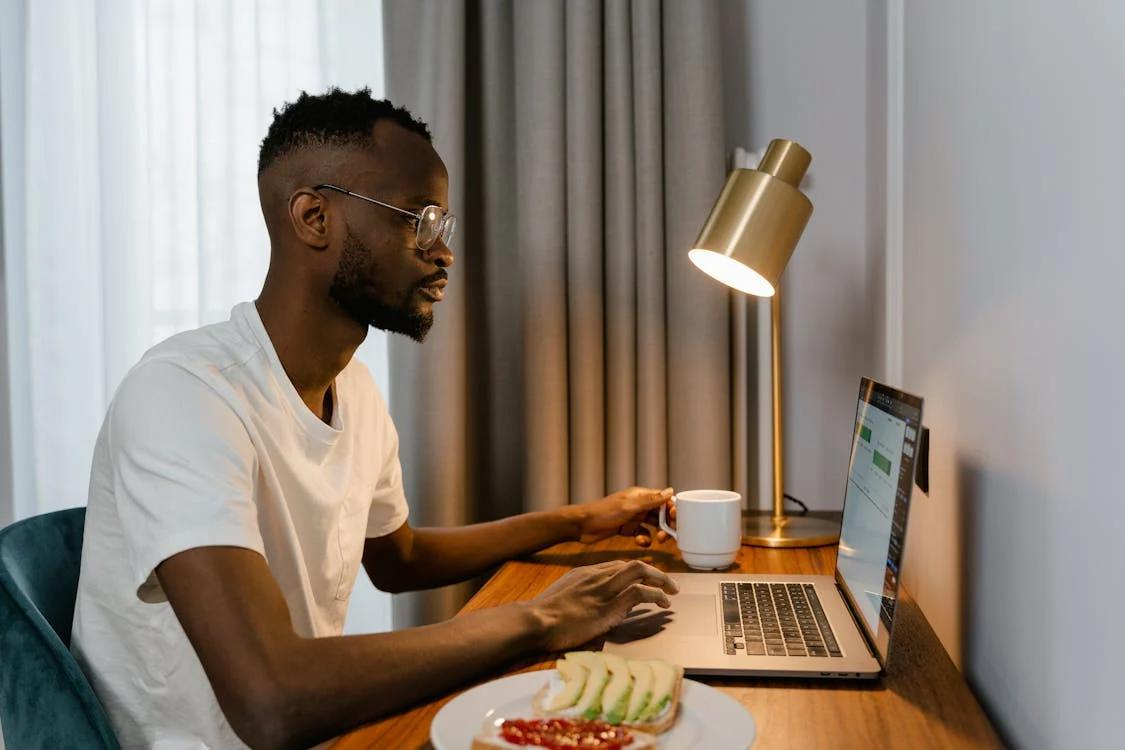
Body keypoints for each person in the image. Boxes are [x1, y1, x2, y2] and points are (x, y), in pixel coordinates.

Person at [71, 88, 678, 750]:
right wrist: (539, 617)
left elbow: (399, 557)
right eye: (418, 219)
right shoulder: (183, 394)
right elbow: (272, 699)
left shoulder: (350, 386)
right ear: (313, 217)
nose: (442, 253)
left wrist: (578, 522)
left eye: (443, 227)